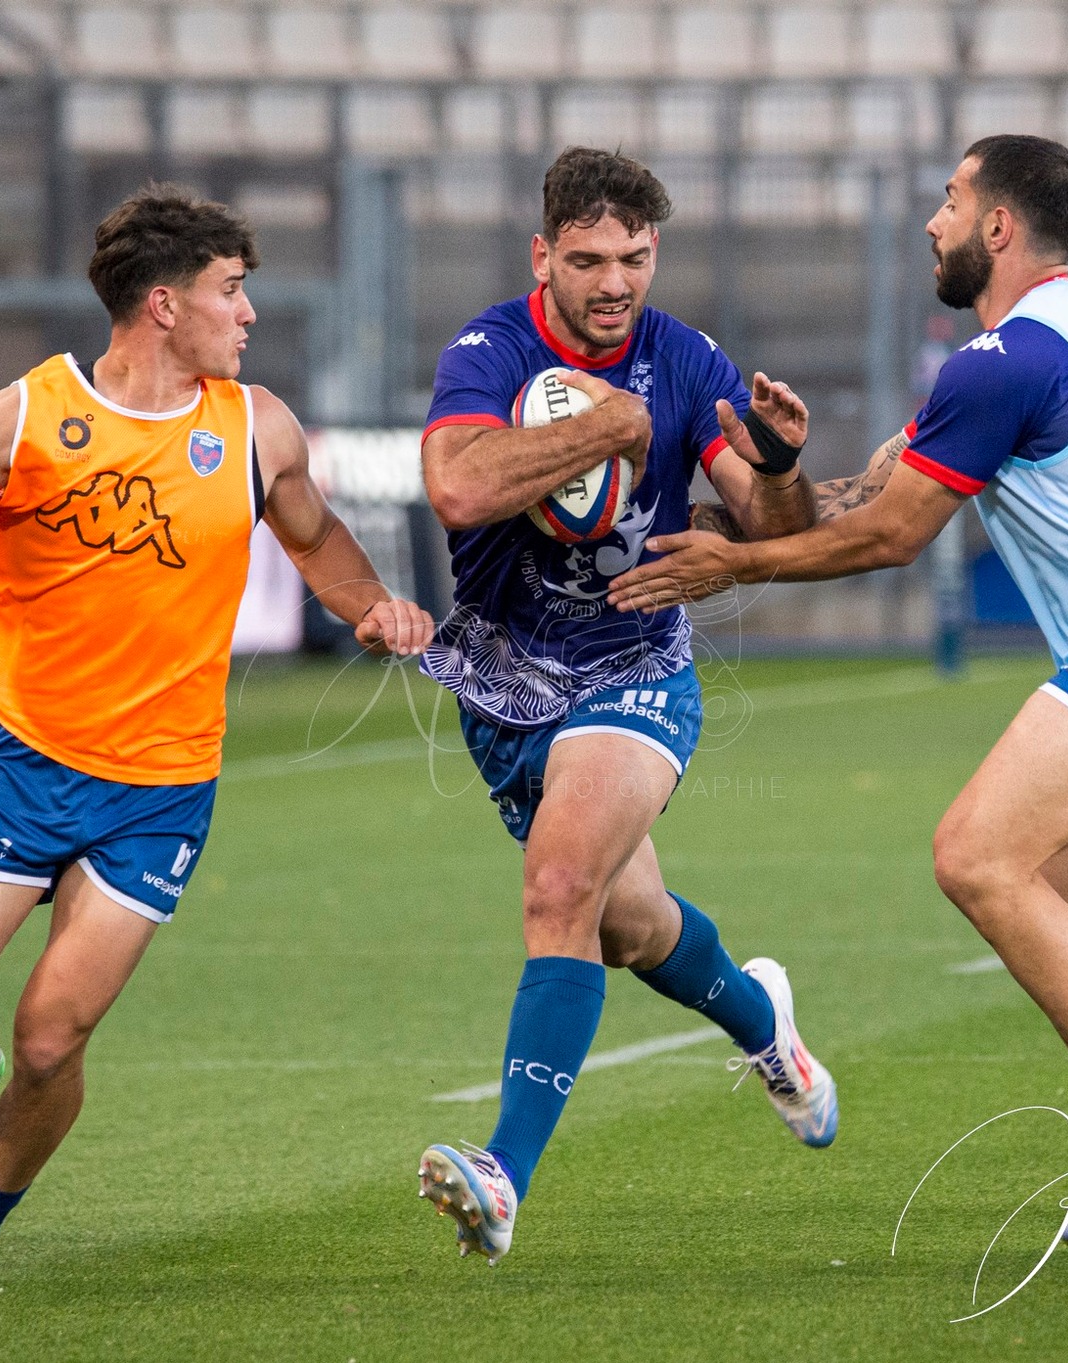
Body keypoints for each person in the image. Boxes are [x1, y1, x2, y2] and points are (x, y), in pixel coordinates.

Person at [610, 135, 1068, 1280]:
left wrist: (737, 565)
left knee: (973, 854)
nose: (933, 221)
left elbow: (888, 536)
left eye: (952, 200)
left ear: (998, 227)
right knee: (1065, 926)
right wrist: (765, 481)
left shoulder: (1003, 361)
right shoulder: (1059, 336)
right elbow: (854, 497)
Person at [0, 185, 433, 1293]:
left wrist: (375, 611)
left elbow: (319, 540)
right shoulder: (25, 417)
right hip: (22, 766)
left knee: (51, 1038)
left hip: (161, 792)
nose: (248, 313)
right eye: (231, 290)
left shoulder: (256, 427)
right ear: (164, 305)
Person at [409, 146, 839, 1267]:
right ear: (541, 256)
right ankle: (765, 1024)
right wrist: (606, 426)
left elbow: (771, 530)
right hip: (504, 679)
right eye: (588, 259)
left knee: (559, 888)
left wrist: (779, 463)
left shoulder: (686, 358)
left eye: (635, 259)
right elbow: (455, 485)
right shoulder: (489, 351)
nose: (614, 283)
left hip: (634, 662)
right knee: (629, 923)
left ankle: (502, 1175)